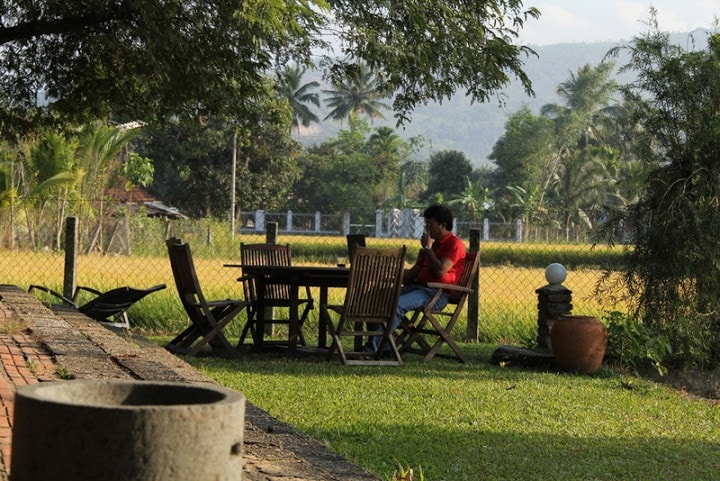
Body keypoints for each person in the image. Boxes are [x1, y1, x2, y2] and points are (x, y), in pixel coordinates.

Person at [365, 204, 466, 353]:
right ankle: (384, 347)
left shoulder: (454, 244)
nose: (427, 229)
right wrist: (387, 274)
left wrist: (428, 249)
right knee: (374, 298)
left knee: (397, 305)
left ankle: (371, 350)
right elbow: (413, 273)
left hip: (435, 294)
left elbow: (440, 271)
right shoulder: (432, 245)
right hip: (416, 287)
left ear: (442, 225)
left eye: (430, 225)